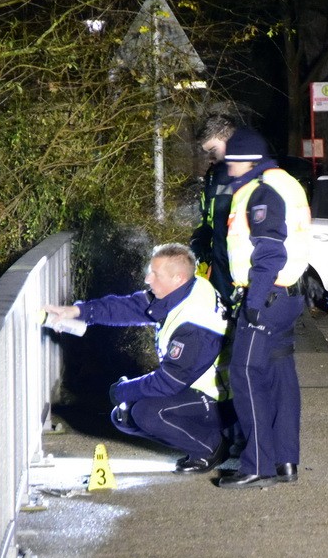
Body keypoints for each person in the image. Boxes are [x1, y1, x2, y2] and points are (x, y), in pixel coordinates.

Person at [44, 244, 232, 474]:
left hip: (218, 399)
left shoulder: (195, 324)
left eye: (155, 274)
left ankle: (212, 447)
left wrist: (123, 390)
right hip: (194, 389)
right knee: (124, 416)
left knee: (146, 413)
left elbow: (168, 382)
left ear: (178, 278)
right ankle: (204, 439)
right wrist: (79, 312)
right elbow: (128, 307)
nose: (147, 279)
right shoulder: (186, 290)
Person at [218, 128, 311, 489]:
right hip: (287, 295)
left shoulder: (262, 192)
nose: (227, 169)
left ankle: (258, 464)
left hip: (266, 296)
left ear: (248, 161)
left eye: (231, 161)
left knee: (245, 374)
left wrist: (253, 303)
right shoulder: (285, 182)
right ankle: (286, 460)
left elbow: (271, 250)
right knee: (281, 379)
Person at [191, 113, 241, 303]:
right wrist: (202, 236)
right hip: (218, 265)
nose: (210, 158)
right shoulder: (215, 175)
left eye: (213, 149)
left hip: (237, 271)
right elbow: (210, 216)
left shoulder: (246, 173)